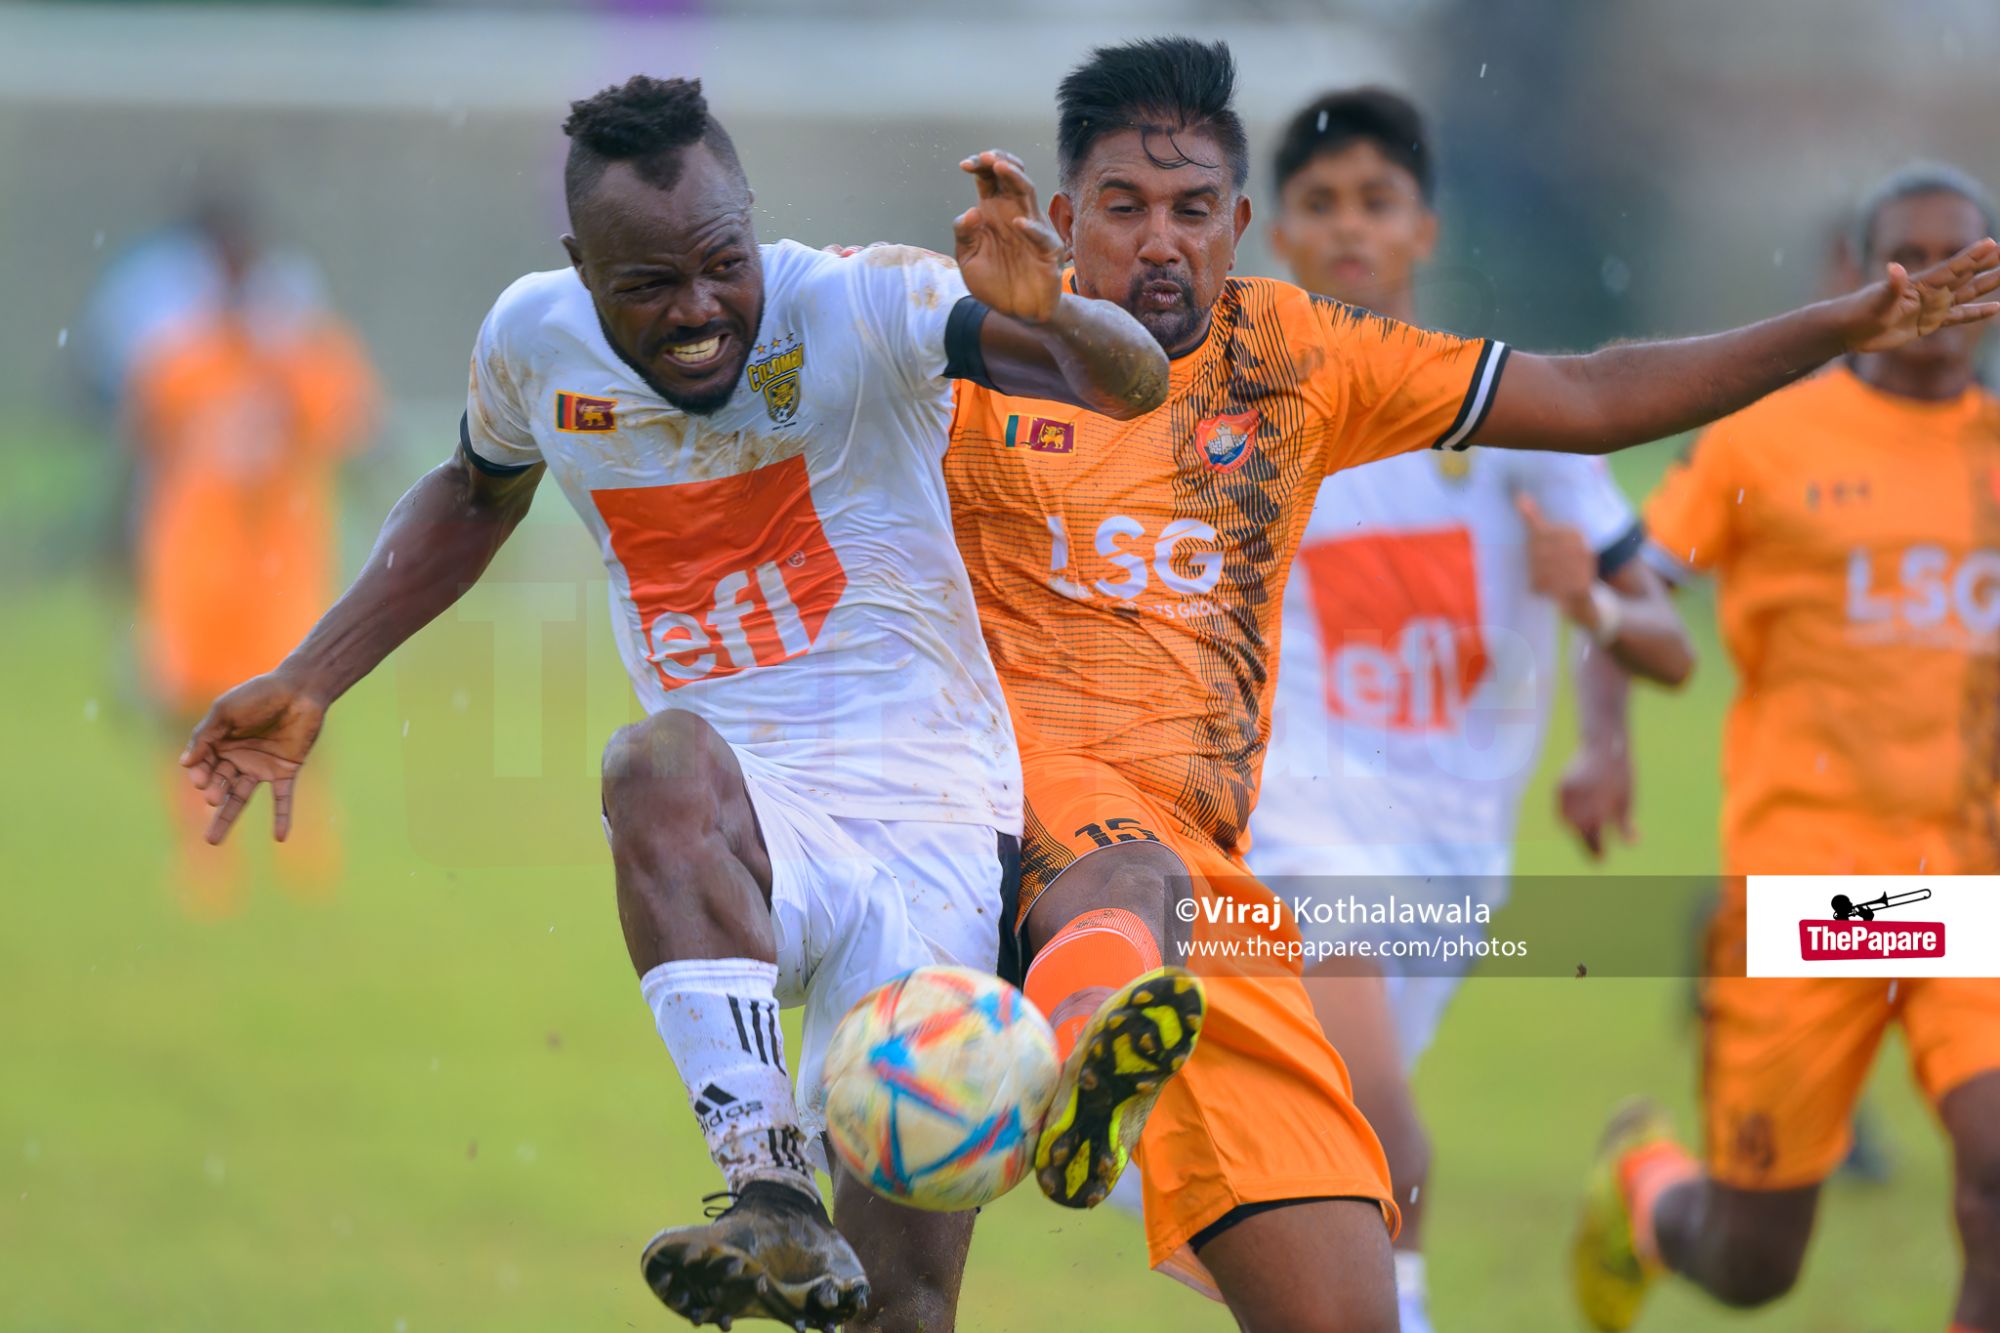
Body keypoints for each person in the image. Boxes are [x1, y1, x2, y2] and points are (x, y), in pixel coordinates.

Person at [943, 37, 2000, 1333]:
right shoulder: (958, 351)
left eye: (1190, 210)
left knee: (1426, 1290)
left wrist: (1829, 335)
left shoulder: (1313, 362)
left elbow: (1598, 415)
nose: (1159, 241)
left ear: (1237, 226)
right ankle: (1062, 1061)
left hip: (1347, 861)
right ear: (1062, 218)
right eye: (1123, 207)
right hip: (1145, 844)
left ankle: (1102, 1103)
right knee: (1392, 1133)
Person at [178, 75, 1168, 1333]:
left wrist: (1064, 311)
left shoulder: (864, 298)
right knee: (654, 763)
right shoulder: (534, 342)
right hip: (750, 819)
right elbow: (476, 494)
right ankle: (766, 1188)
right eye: (648, 284)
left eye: (721, 263)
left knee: (895, 1309)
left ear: (753, 223)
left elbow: (1127, 388)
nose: (699, 311)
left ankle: (855, 1218)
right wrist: (313, 676)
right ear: (579, 268)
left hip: (932, 818)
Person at [1240, 87, 1692, 1333]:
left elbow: (1663, 643)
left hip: (1451, 852)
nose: (1348, 230)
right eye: (1319, 205)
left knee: (1308, 1164)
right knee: (1382, 1138)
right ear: (1276, 234)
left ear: (1422, 231)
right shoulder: (1244, 417)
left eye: (1375, 204)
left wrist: (1596, 668)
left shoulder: (1515, 418)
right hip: (1294, 822)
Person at [1572, 163, 2000, 1333]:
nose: (1940, 285)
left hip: (1973, 885)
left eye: (1967, 259)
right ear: (1858, 281)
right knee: (1753, 1263)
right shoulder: (1767, 439)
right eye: (1908, 258)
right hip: (1813, 889)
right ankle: (1647, 1191)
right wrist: (1600, 741)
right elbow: (1630, 596)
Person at [126, 202, 378, 915]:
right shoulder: (180, 357)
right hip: (196, 564)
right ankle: (204, 855)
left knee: (295, 697)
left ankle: (305, 849)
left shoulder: (297, 354)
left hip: (279, 563)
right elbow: (143, 442)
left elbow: (353, 428)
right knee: (187, 709)